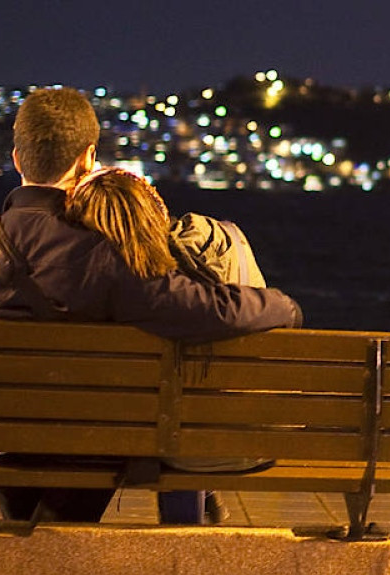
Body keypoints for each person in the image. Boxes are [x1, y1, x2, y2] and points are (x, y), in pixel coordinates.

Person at [0, 87, 302, 523]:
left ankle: (29, 543)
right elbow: (205, 309)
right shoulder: (101, 251)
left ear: (17, 159)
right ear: (88, 159)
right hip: (81, 442)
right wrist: (283, 306)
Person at [64, 166, 276, 521]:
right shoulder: (230, 243)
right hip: (249, 441)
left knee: (163, 422)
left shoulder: (119, 279)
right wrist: (284, 305)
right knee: (183, 415)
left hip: (154, 440)